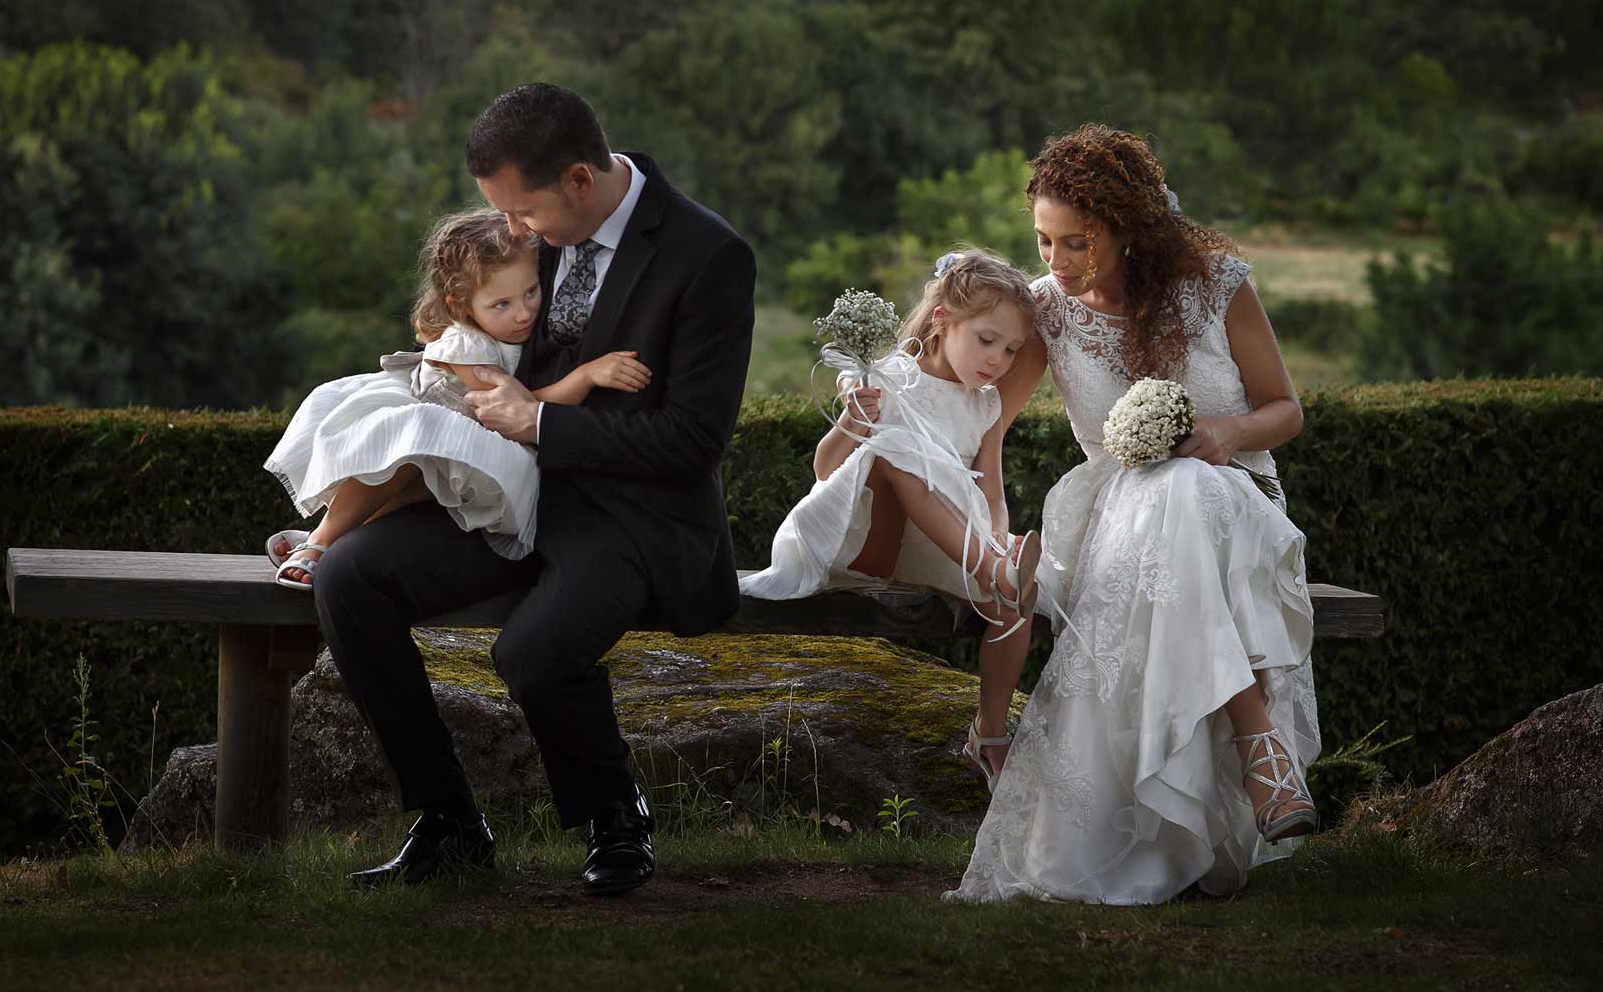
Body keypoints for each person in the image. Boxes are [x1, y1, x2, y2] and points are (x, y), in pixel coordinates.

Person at [312, 83, 755, 896]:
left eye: (523, 213)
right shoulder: (531, 231)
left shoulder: (709, 256)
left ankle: (616, 816)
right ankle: (447, 821)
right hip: (509, 497)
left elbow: (692, 443)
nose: (512, 231)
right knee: (349, 576)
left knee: (533, 652)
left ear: (579, 180)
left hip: (629, 513)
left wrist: (540, 425)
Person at [948, 124, 1321, 906]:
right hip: (1119, 519)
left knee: (1184, 483)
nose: (1053, 262)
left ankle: (1230, 771)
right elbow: (985, 431)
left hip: (1237, 502)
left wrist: (1223, 434)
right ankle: (1263, 750)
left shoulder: (1215, 283)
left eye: (1075, 242)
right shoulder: (1047, 313)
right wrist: (984, 532)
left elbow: (1285, 409)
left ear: (1128, 227)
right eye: (1043, 240)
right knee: (1163, 490)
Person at [741, 250, 1043, 789]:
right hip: (861, 537)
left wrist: (998, 534)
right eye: (987, 340)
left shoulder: (985, 405)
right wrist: (853, 421)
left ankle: (989, 731)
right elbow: (828, 469)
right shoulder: (889, 379)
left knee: (1021, 590)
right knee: (895, 446)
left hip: (937, 542)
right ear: (943, 320)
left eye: (1012, 349)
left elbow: (990, 491)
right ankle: (993, 566)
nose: (998, 359)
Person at [261, 210, 649, 584]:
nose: (523, 313)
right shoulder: (467, 346)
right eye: (502, 304)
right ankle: (320, 540)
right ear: (460, 305)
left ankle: (331, 542)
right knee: (391, 468)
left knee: (416, 491)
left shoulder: (514, 325)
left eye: (531, 292)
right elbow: (517, 407)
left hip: (456, 444)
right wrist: (586, 376)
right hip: (434, 424)